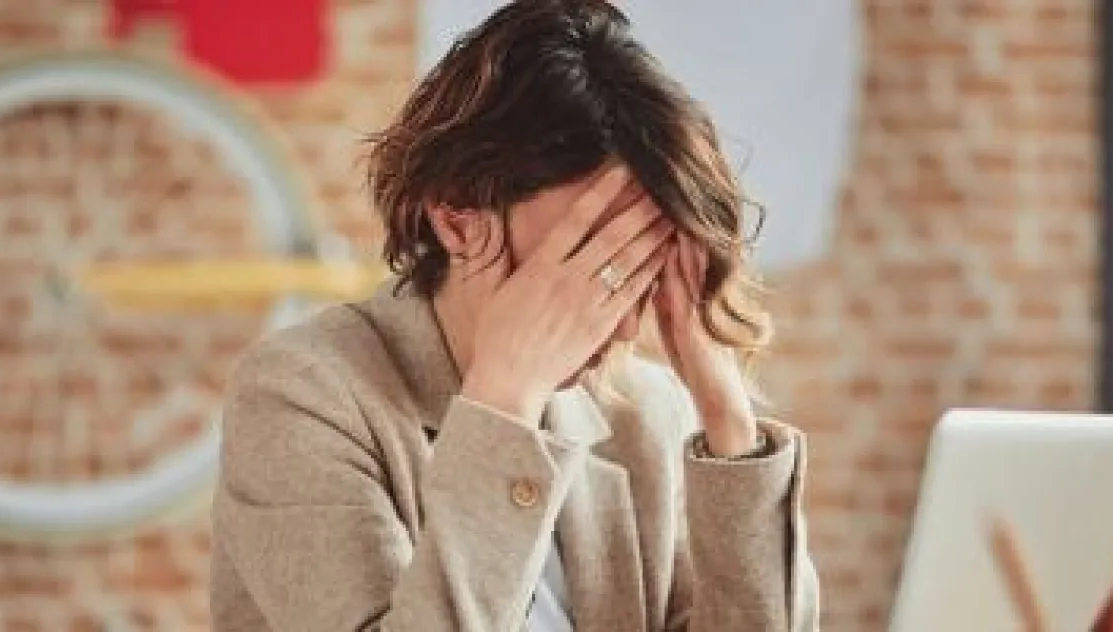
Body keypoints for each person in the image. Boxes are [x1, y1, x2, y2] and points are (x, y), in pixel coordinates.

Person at [209, 1, 819, 630]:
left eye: (639, 266)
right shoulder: (300, 396)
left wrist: (726, 419)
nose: (618, 323)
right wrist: (502, 407)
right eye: (587, 259)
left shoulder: (646, 414)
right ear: (457, 220)